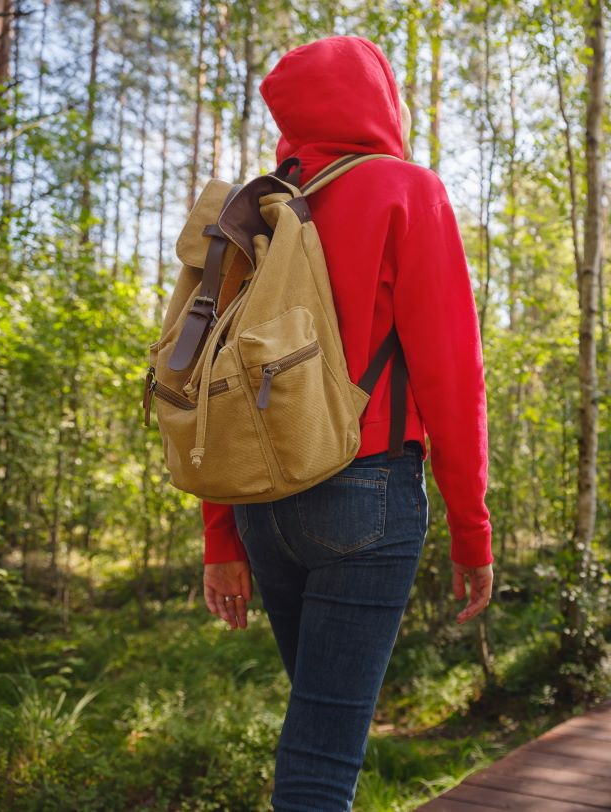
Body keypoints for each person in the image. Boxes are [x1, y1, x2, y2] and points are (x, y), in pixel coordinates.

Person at [196, 36, 494, 812]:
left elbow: (218, 381)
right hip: (367, 493)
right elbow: (451, 373)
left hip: (262, 502)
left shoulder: (256, 207)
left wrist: (220, 537)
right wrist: (472, 531)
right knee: (323, 761)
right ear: (383, 98)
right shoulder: (407, 190)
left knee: (315, 732)